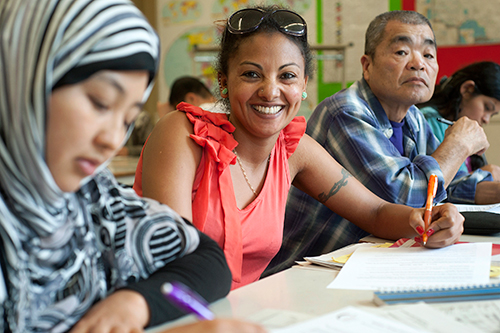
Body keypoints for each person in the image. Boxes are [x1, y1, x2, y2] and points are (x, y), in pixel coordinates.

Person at [133, 6, 463, 290]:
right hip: (177, 312)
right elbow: (170, 258)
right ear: (223, 81)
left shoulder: (293, 149)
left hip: (256, 313)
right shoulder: (182, 134)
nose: (270, 90)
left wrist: (429, 219)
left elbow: (375, 212)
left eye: (287, 76)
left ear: (303, 85)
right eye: (251, 74)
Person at [0, 1, 265, 332]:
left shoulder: (93, 201)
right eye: (100, 103)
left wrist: (137, 302)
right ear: (25, 78)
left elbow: (206, 259)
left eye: (128, 118)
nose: (112, 139)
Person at [265, 10, 496, 276]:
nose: (418, 63)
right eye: (401, 52)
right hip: (307, 273)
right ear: (367, 65)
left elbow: (450, 184)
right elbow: (408, 199)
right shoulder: (345, 112)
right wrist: (457, 145)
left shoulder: (415, 119)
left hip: (369, 265)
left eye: (428, 55)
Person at [418, 61, 500, 180]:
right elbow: (432, 183)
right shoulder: (429, 121)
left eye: (492, 115)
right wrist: (482, 174)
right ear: (467, 90)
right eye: (487, 108)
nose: (486, 119)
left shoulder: (469, 132)